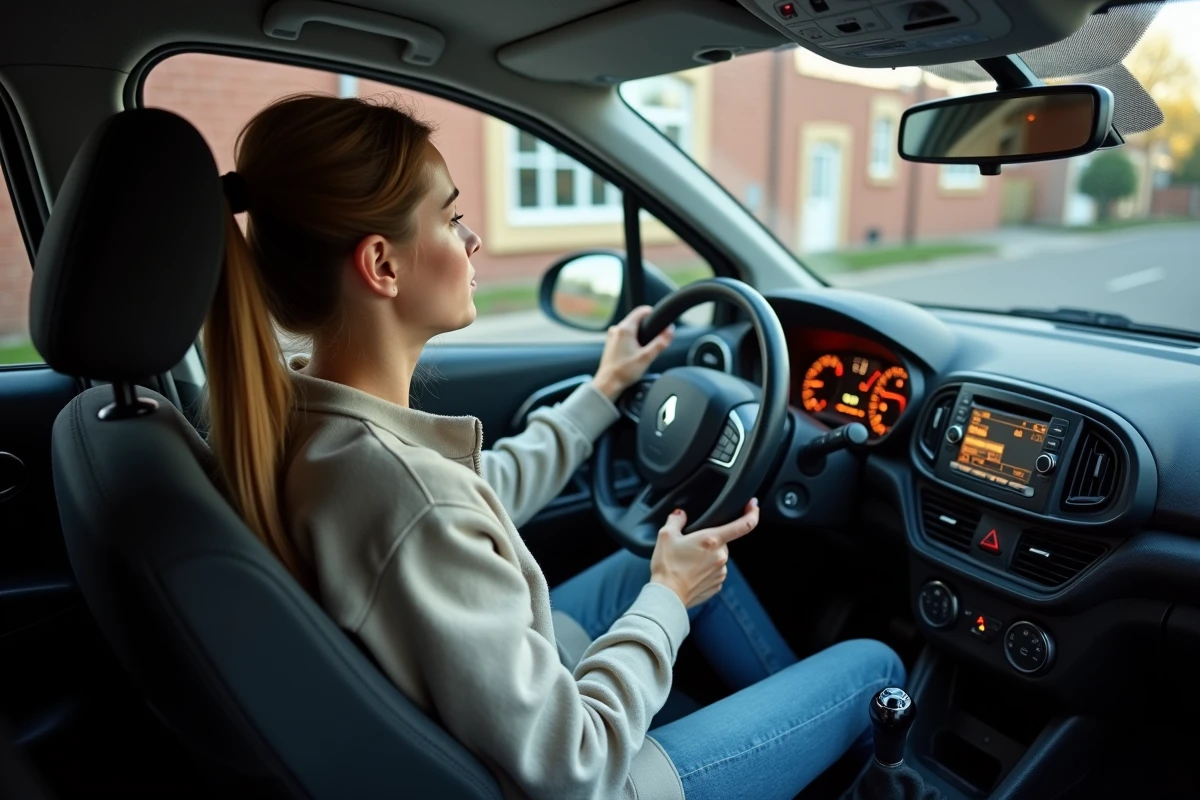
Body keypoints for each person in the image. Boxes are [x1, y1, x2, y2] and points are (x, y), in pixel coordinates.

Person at [203, 93, 905, 800]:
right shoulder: (407, 496)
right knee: (873, 666)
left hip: (485, 721)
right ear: (382, 265)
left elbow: (475, 503)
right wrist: (669, 596)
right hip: (589, 777)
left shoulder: (302, 421)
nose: (473, 239)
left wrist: (601, 394)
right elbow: (577, 765)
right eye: (451, 218)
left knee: (652, 571)